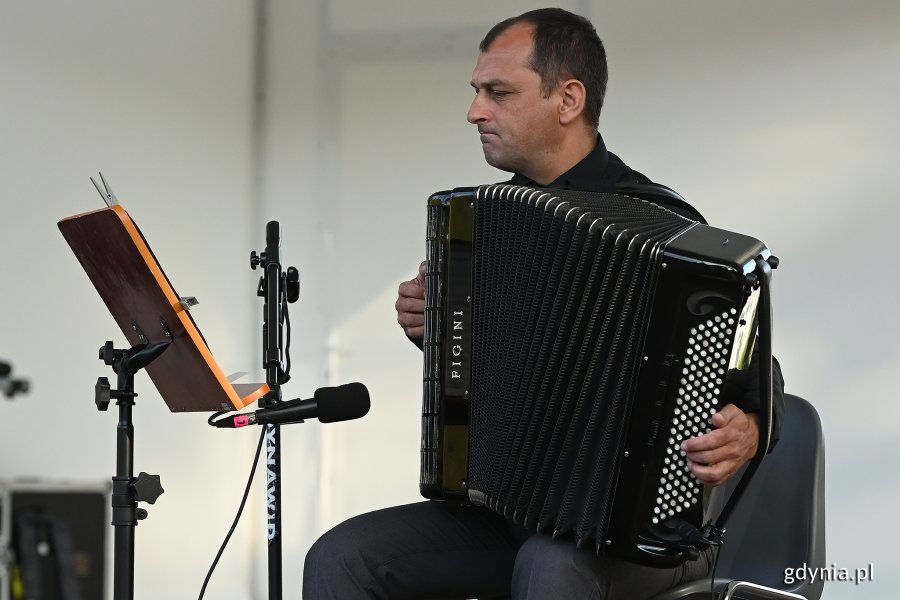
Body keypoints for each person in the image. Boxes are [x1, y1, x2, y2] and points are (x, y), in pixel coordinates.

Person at [304, 8, 784, 599]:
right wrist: (436, 331)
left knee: (551, 565)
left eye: (498, 92)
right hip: (514, 516)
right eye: (477, 92)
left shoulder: (668, 233)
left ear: (568, 99)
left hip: (643, 537)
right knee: (343, 559)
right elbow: (495, 380)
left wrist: (752, 425)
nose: (475, 111)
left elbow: (759, 371)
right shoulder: (485, 226)